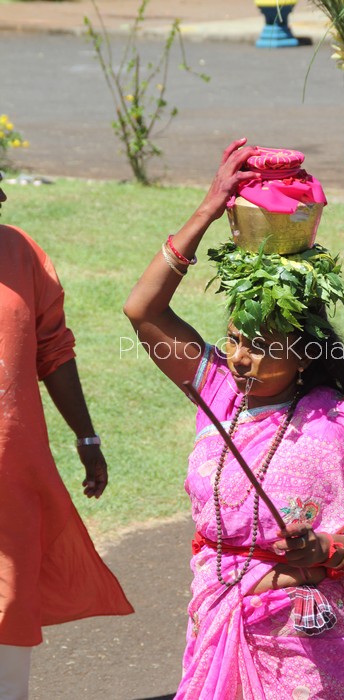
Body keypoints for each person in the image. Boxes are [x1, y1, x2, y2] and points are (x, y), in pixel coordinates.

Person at [124, 139, 344, 699]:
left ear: (306, 352)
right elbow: (144, 310)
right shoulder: (222, 394)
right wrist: (208, 207)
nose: (240, 358)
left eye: (261, 345)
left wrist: (328, 550)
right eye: (234, 340)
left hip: (305, 641)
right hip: (218, 617)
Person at [0, 175, 133, 700]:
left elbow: (52, 347)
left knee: (9, 612)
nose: (3, 199)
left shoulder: (20, 252)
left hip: (12, 483)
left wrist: (87, 437)